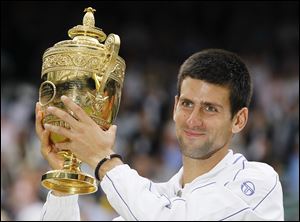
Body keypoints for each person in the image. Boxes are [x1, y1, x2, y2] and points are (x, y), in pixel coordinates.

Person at [36, 49, 284, 220]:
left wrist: (103, 159)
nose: (193, 119)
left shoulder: (258, 181)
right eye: (187, 104)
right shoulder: (154, 198)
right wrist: (64, 182)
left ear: (239, 120)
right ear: (175, 106)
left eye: (210, 108)